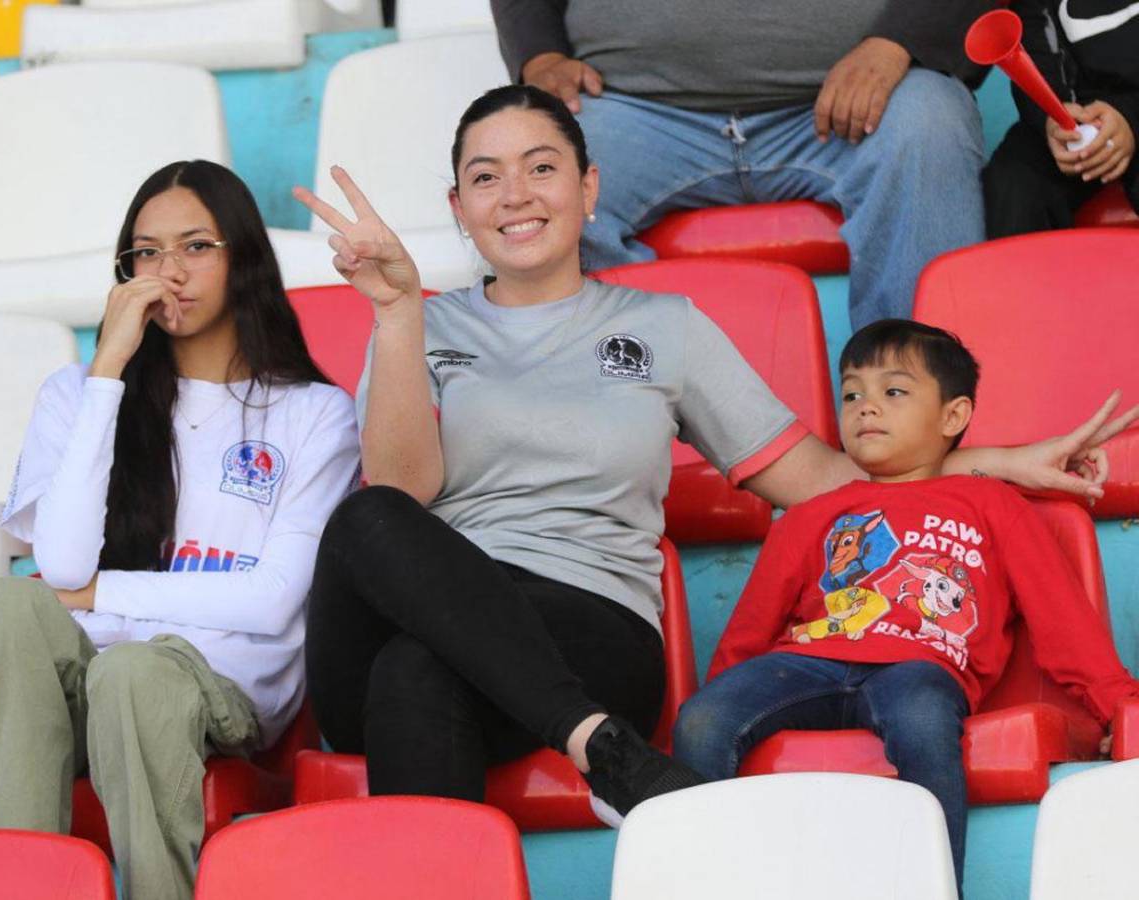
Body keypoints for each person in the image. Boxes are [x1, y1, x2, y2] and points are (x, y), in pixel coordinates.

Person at [294, 84, 1132, 827]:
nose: (515, 194)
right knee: (369, 519)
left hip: (587, 627)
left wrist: (1003, 463)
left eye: (541, 167)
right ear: (458, 204)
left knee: (416, 672)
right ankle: (601, 750)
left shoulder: (668, 330)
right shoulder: (421, 327)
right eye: (486, 177)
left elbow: (821, 483)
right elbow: (405, 494)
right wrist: (399, 312)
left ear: (589, 190)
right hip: (439, 618)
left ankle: (580, 739)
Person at [0, 160, 361, 900]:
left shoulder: (311, 414)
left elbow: (268, 603)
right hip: (80, 675)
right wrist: (107, 368)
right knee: (9, 606)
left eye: (197, 246)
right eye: (147, 252)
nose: (169, 271)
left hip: (218, 682)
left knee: (133, 672)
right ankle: (8, 887)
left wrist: (103, 595)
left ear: (243, 257)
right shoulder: (75, 394)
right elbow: (64, 566)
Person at [673, 319, 1139, 891]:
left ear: (953, 417)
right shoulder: (813, 513)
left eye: (893, 392)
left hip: (920, 667)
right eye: (851, 394)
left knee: (921, 717)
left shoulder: (993, 502)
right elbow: (753, 625)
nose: (867, 407)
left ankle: (935, 886)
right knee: (702, 718)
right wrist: (726, 688)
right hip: (810, 662)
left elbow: (1059, 614)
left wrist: (1117, 703)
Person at [489, 0, 992, 330]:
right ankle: (615, 417)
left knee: (930, 121)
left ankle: (914, 421)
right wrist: (539, 55)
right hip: (635, 108)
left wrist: (896, 43)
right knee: (533, 168)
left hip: (846, 103)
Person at [983, 0, 1137, 237]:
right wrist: (1053, 117)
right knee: (1014, 181)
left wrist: (1130, 117)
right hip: (1076, 117)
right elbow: (1032, 44)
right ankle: (1020, 273)